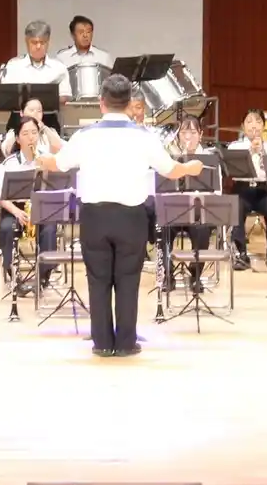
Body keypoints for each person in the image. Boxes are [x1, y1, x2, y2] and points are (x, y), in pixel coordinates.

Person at [35, 74, 203, 356]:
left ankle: (102, 343)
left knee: (98, 280)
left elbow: (58, 164)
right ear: (129, 105)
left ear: (101, 103)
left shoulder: (85, 135)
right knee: (128, 280)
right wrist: (190, 168)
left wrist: (41, 159)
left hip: (94, 217)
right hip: (131, 217)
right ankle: (125, 344)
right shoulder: (143, 136)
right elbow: (170, 169)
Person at [0, 116, 59, 291]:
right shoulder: (9, 164)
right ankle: (13, 275)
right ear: (17, 138)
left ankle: (44, 275)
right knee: (7, 228)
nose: (31, 137)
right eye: (25, 133)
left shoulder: (47, 158)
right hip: (16, 208)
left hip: (41, 206)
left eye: (34, 132)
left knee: (50, 229)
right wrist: (17, 212)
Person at [159, 115, 220, 292]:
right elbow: (161, 189)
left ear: (200, 134)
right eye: (184, 132)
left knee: (202, 229)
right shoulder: (170, 158)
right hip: (175, 210)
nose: (188, 137)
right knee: (162, 227)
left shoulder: (209, 158)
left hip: (199, 211)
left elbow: (217, 192)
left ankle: (195, 274)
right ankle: (167, 273)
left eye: (193, 132)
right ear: (178, 135)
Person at [227, 109, 267, 269]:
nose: (254, 126)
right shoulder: (235, 147)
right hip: (242, 189)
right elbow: (232, 172)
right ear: (242, 126)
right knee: (236, 208)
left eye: (258, 121)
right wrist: (250, 151)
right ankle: (241, 254)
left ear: (264, 126)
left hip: (264, 190)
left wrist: (262, 152)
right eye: (249, 121)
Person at [1, 19, 73, 102]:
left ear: (48, 42)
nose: (38, 46)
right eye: (34, 42)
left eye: (42, 42)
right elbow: (6, 96)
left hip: (50, 110)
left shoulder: (59, 68)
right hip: (21, 110)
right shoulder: (13, 66)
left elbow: (65, 96)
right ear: (27, 42)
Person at [0, 96, 65, 156]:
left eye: (39, 111)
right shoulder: (13, 132)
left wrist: (44, 128)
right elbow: (8, 152)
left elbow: (58, 150)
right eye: (31, 110)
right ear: (21, 113)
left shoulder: (50, 131)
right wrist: (20, 130)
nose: (35, 113)